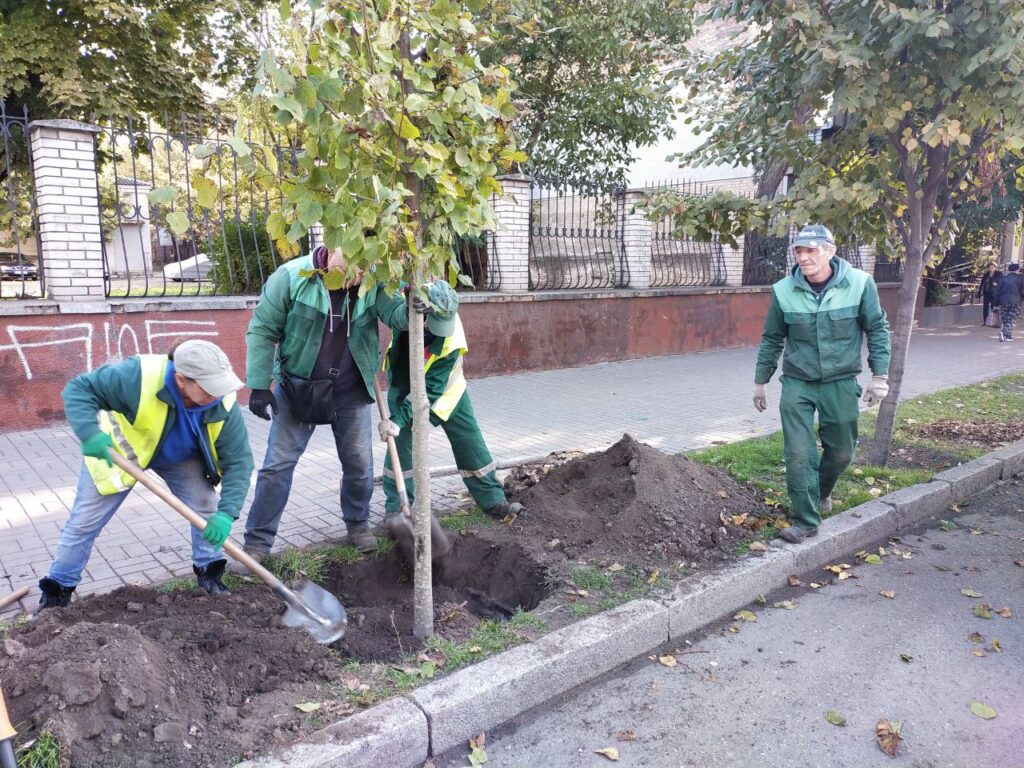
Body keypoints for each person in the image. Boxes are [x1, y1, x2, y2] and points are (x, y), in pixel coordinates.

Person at [239, 244, 428, 564]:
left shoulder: (372, 281)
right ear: (330, 248)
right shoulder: (290, 278)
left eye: (365, 265)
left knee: (359, 464)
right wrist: (258, 385)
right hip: (298, 388)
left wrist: (413, 304)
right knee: (277, 466)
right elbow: (262, 330)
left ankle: (357, 525)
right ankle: (257, 543)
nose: (359, 274)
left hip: (351, 389)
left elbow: (395, 315)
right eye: (353, 264)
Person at [37, 340, 253, 611]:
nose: (218, 394)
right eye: (210, 388)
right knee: (83, 522)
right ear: (181, 379)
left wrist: (226, 513)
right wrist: (88, 432)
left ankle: (209, 574)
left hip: (179, 456)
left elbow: (240, 462)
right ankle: (57, 593)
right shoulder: (137, 377)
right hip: (124, 451)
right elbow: (80, 388)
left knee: (207, 508)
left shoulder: (224, 403)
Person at [752, 224, 891, 543]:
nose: (803, 257)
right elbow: (773, 338)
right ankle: (805, 520)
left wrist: (879, 376)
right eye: (799, 251)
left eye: (811, 250)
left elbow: (878, 329)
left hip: (841, 382)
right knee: (799, 453)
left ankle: (822, 490)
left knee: (842, 453)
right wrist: (761, 381)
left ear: (830, 251)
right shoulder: (783, 290)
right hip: (798, 383)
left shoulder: (859, 284)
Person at [378, 281, 523, 523]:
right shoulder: (411, 300)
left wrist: (401, 417)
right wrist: (397, 421)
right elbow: (389, 288)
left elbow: (431, 389)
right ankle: (396, 509)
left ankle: (494, 501)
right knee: (400, 443)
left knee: (469, 441)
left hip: (447, 391)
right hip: (403, 383)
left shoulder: (451, 335)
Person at [996, 262, 1024, 342]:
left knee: (1005, 318)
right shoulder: (1020, 279)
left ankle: (1008, 336)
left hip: (1004, 301)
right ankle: (1004, 332)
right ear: (1017, 270)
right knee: (1011, 319)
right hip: (1015, 301)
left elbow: (997, 292)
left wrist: (996, 303)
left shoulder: (1003, 279)